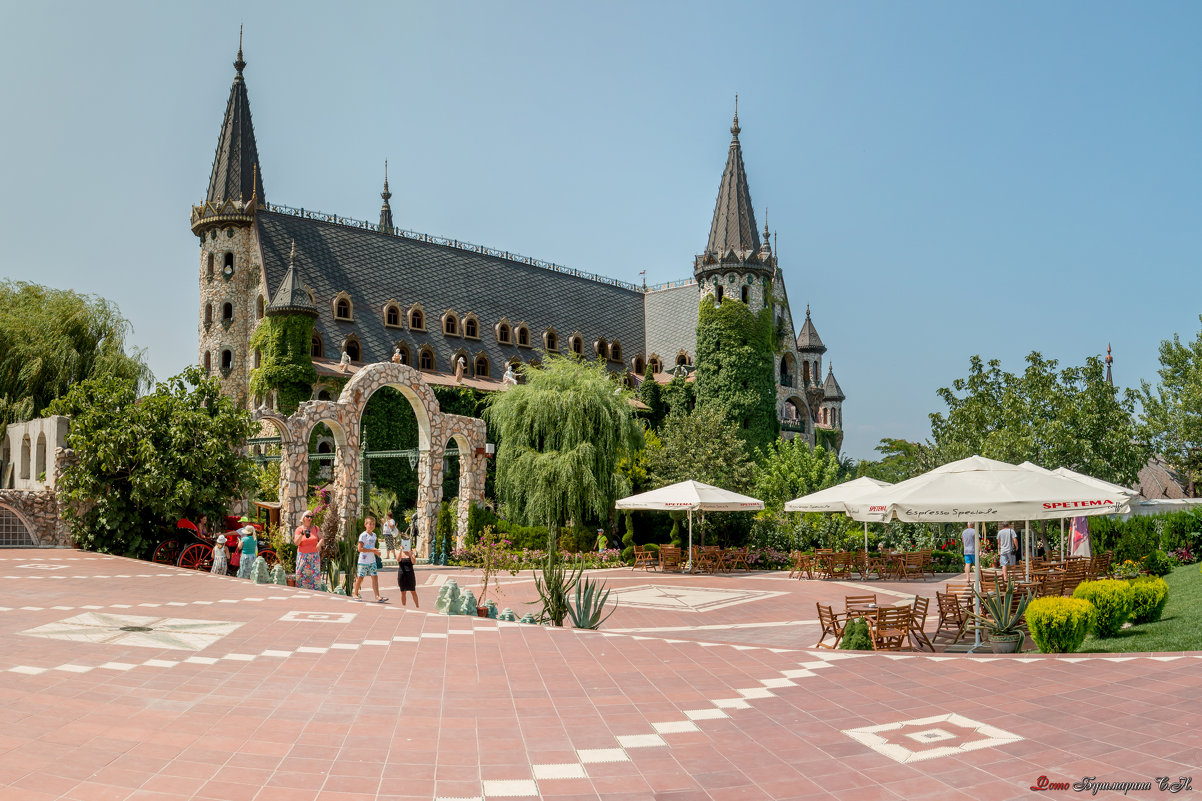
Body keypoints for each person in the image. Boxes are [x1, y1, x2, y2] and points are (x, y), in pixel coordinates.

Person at [353, 516, 387, 602]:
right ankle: (355, 594)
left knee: (375, 578)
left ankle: (377, 596)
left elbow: (372, 547)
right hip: (363, 561)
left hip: (372, 561)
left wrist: (376, 552)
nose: (372, 526)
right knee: (360, 577)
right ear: (365, 525)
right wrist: (372, 550)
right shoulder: (363, 535)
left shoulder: (374, 535)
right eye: (370, 524)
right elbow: (360, 549)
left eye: (373, 524)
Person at [293, 511, 323, 590]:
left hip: (314, 557)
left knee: (315, 579)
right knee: (301, 578)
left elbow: (322, 538)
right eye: (307, 516)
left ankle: (315, 596)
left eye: (311, 517)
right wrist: (301, 534)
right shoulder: (299, 529)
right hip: (303, 557)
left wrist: (319, 544)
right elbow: (296, 543)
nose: (310, 518)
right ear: (303, 518)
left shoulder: (315, 528)